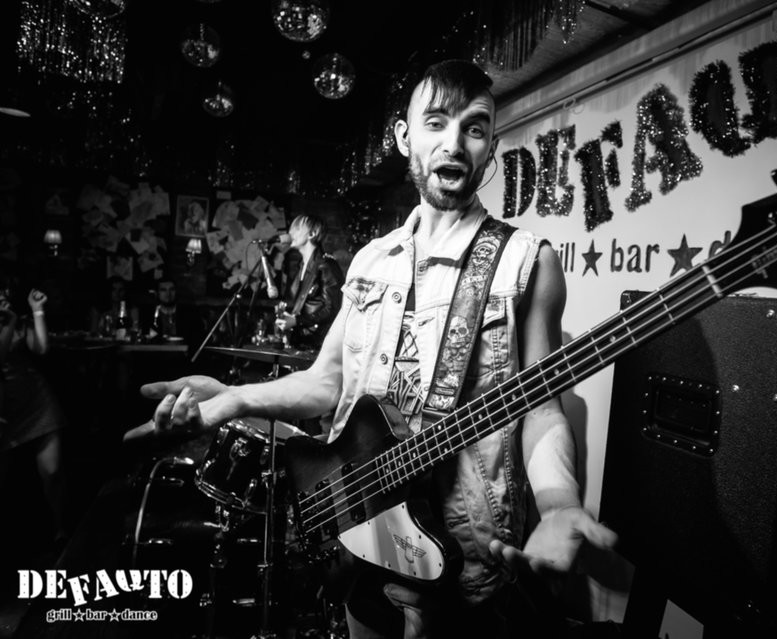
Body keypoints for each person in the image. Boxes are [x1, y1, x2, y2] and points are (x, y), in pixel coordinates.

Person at [130, 59, 616, 638]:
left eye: (475, 126)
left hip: (466, 559)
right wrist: (234, 396)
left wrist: (559, 504)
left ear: (490, 144)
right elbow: (326, 382)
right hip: (363, 536)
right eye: (436, 122)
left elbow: (539, 407)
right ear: (404, 137)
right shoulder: (370, 261)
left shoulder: (526, 262)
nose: (454, 142)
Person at [0, 283, 68, 547]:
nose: (3, 299)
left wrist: (37, 311)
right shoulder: (10, 323)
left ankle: (61, 530)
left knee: (52, 471)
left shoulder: (19, 322)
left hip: (36, 402)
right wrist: (9, 323)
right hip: (4, 408)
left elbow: (41, 348)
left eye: (5, 294)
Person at [273, 214, 345, 350]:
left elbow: (332, 309)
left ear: (312, 233)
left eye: (297, 229)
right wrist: (289, 318)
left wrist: (297, 321)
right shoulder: (301, 266)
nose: (291, 233)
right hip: (301, 341)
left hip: (319, 344)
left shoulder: (327, 266)